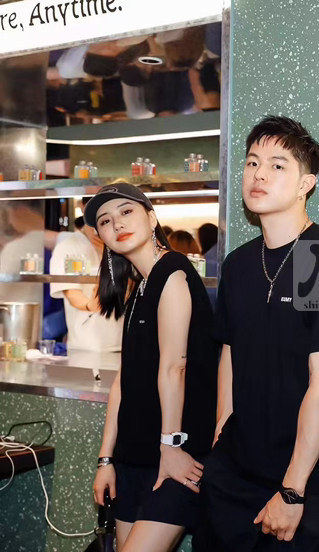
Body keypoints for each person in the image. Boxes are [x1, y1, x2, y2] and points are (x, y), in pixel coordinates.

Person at [196, 116, 319, 551]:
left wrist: (292, 491)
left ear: (305, 184)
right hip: (234, 471)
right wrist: (220, 434)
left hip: (305, 480)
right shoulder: (238, 264)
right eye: (252, 162)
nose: (259, 174)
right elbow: (230, 353)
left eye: (278, 165)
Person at [88, 184, 218, 551]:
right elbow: (124, 380)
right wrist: (106, 459)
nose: (117, 224)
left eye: (126, 212)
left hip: (176, 455)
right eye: (105, 221)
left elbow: (175, 367)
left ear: (151, 217)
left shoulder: (173, 273)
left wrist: (171, 446)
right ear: (102, 238)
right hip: (133, 457)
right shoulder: (139, 288)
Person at [49, 208, 122, 352]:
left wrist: (109, 255)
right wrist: (90, 305)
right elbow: (71, 293)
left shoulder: (120, 244)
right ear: (84, 208)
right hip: (84, 346)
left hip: (123, 342)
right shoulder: (68, 246)